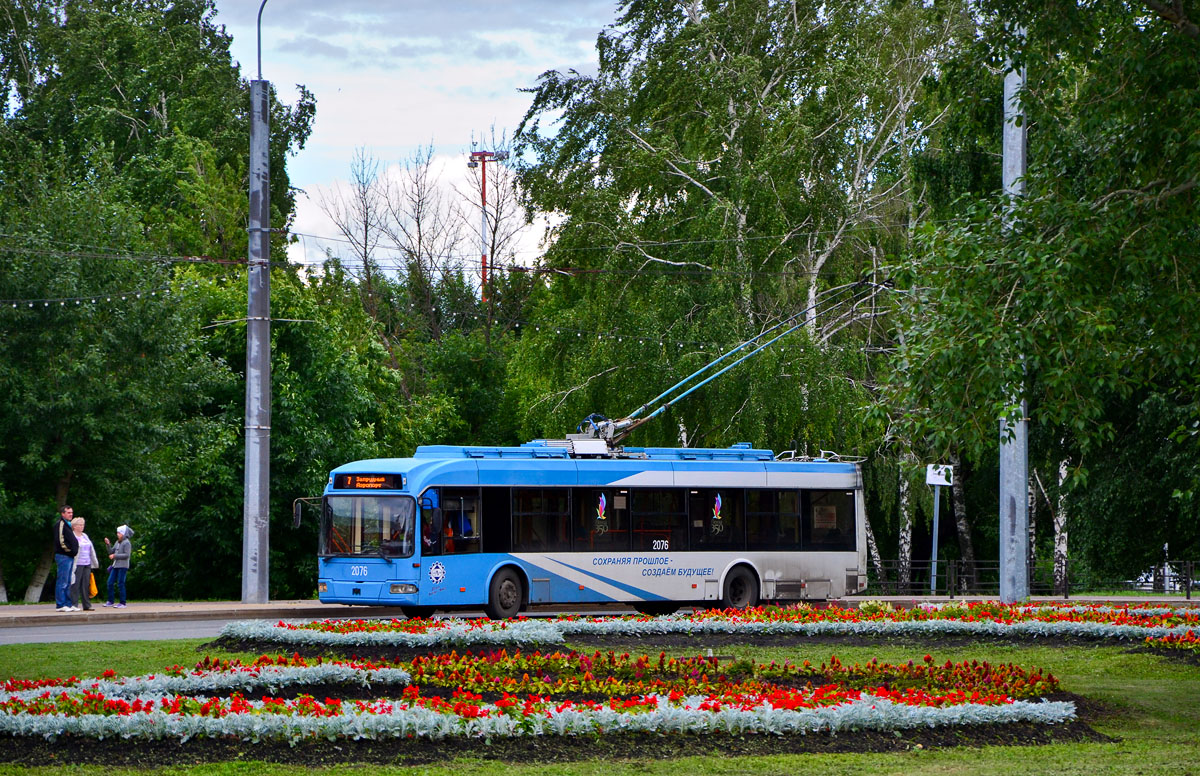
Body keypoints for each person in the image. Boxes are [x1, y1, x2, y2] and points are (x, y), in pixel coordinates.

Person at [52, 505, 79, 612]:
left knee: (68, 581)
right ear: (63, 513)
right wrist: (70, 551)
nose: (70, 514)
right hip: (64, 556)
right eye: (68, 512)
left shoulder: (68, 525)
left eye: (71, 512)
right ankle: (60, 604)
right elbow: (61, 541)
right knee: (62, 581)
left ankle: (68, 603)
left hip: (69, 556)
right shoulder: (61, 524)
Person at [69, 517, 97, 611]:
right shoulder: (72, 536)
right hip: (77, 563)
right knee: (75, 584)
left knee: (86, 584)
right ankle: (74, 604)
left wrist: (94, 561)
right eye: (80, 525)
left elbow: (91, 549)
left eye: (83, 524)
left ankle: (87, 605)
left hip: (87, 563)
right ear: (74, 526)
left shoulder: (85, 535)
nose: (82, 526)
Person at [103, 525, 133, 608]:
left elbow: (127, 555)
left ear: (123, 533)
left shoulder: (127, 543)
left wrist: (115, 556)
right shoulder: (117, 542)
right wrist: (108, 544)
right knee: (110, 582)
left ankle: (123, 602)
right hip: (115, 565)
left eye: (119, 533)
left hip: (123, 566)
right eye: (117, 533)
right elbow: (111, 551)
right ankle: (110, 600)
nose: (117, 534)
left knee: (120, 583)